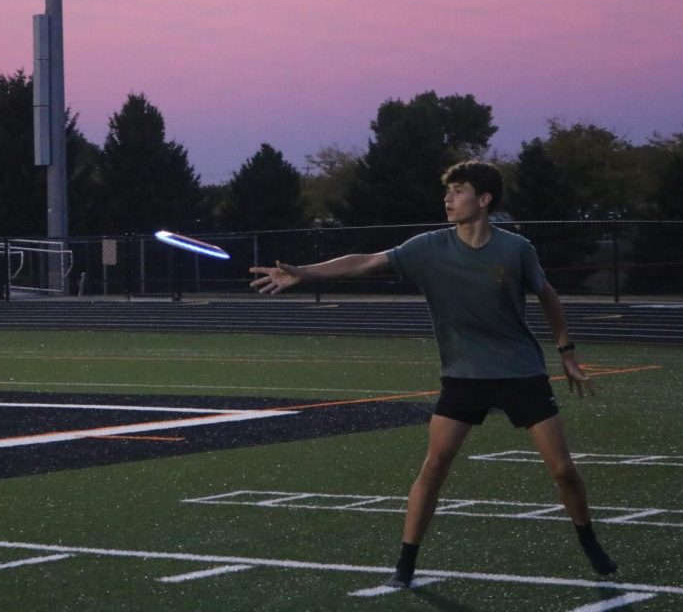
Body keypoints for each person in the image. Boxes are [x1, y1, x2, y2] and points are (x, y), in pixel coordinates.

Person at [249, 160, 616, 588]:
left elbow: (548, 296)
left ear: (484, 200)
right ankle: (405, 565)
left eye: (458, 191)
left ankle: (587, 537)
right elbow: (366, 261)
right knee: (435, 466)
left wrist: (566, 350)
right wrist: (305, 272)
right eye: (448, 191)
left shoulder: (516, 250)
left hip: (520, 373)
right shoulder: (427, 248)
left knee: (562, 471)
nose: (448, 199)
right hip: (463, 376)